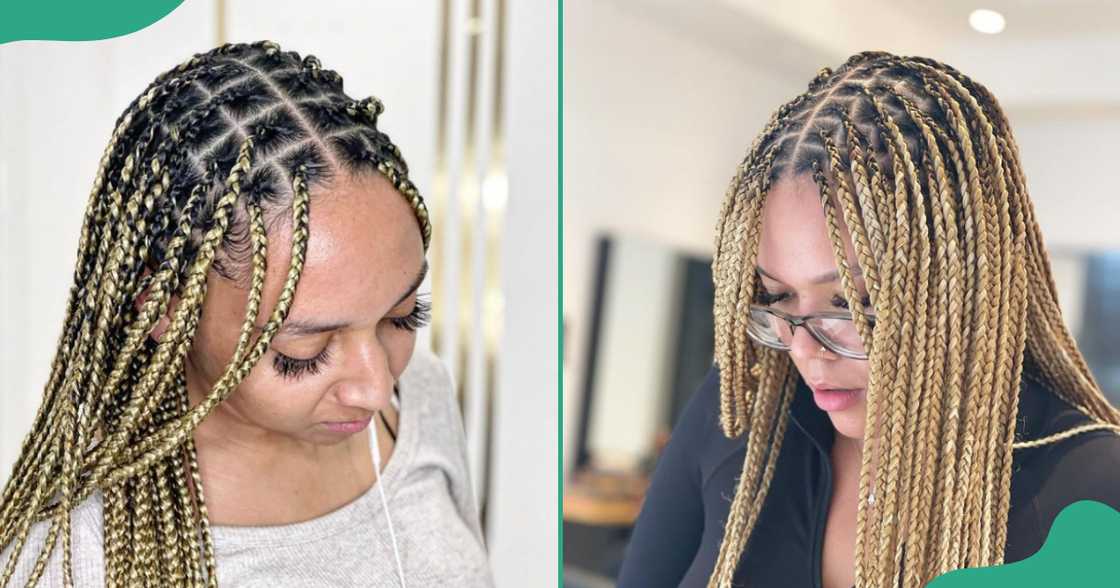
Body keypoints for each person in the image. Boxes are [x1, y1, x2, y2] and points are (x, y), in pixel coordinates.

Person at [617, 51, 1120, 588]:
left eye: (847, 303)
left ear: (960, 285)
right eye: (777, 295)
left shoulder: (1091, 495)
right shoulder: (743, 412)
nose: (805, 349)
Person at [0, 41, 493, 587]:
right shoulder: (72, 564)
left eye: (402, 316)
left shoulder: (419, 395)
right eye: (304, 352)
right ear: (165, 306)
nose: (377, 389)